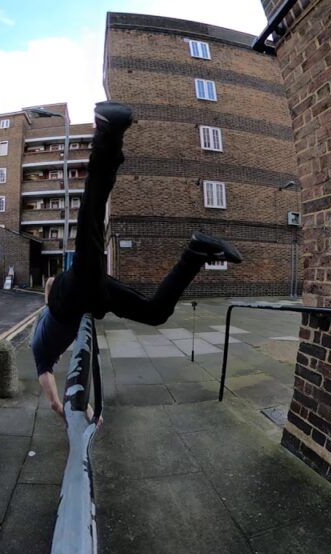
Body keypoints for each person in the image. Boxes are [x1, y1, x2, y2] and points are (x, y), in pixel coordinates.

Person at [31, 101, 244, 420]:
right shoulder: (44, 327)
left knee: (90, 221)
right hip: (90, 296)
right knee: (155, 313)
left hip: (73, 296)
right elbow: (49, 285)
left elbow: (50, 393)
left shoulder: (40, 353)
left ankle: (107, 132)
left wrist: (71, 411)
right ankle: (197, 252)